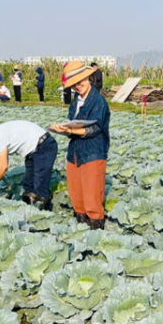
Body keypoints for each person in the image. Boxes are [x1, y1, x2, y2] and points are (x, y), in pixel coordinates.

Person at [50, 61, 111, 229]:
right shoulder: (76, 102)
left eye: (80, 81)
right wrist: (62, 129)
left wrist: (73, 130)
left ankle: (95, 228)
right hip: (75, 152)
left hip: (93, 151)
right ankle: (81, 228)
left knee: (92, 195)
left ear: (88, 78)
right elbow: (72, 124)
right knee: (76, 194)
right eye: (74, 84)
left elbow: (95, 129)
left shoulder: (98, 101)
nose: (78, 86)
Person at [0, 121, 58, 210]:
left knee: (40, 187)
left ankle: (45, 211)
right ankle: (29, 211)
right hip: (32, 150)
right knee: (29, 187)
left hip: (44, 145)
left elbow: (3, 166)